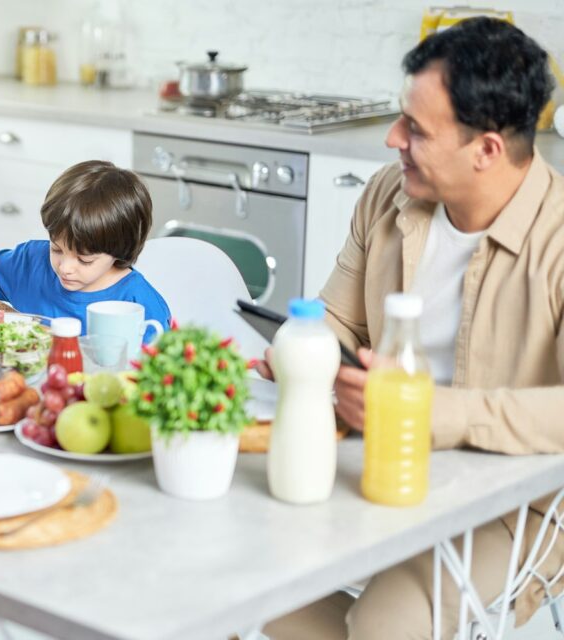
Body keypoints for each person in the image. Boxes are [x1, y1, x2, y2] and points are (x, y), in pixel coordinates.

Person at [262, 18, 564, 638]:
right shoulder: (387, 196)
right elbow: (337, 317)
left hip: (518, 503)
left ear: (486, 149)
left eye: (417, 130)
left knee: (381, 624)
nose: (392, 138)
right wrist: (303, 355)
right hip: (367, 457)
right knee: (241, 575)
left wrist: (432, 413)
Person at [0, 160, 170, 341]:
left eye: (84, 260)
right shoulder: (32, 263)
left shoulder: (139, 304)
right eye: (56, 249)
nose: (65, 268)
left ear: (119, 250)